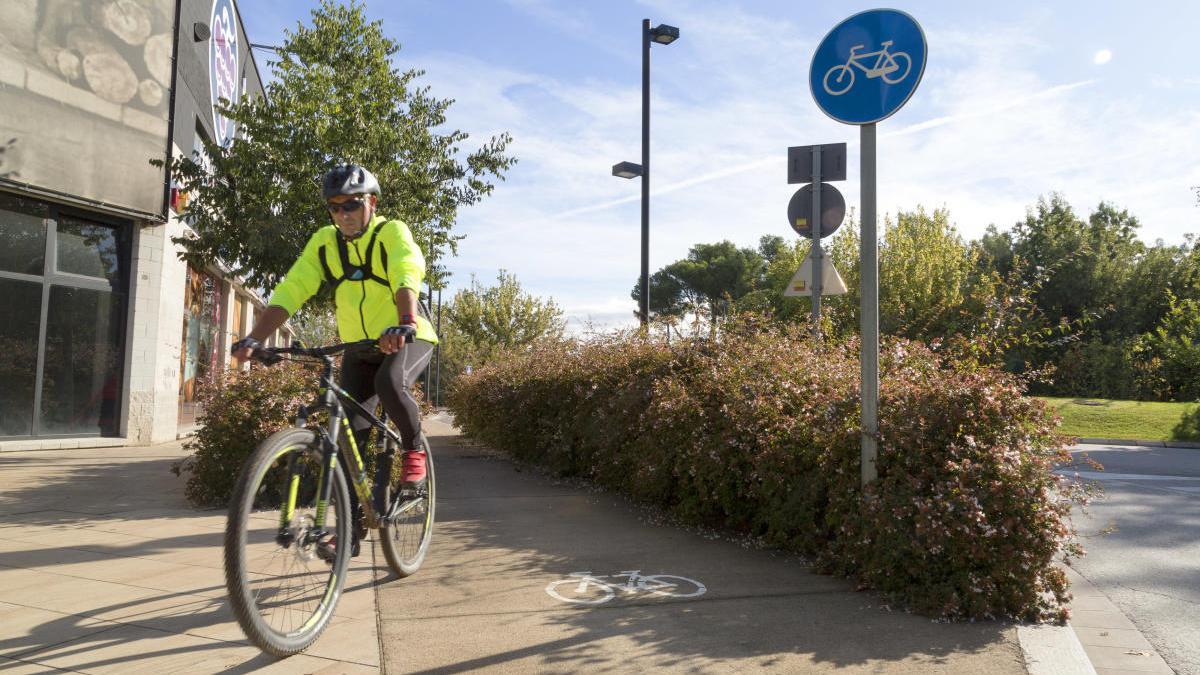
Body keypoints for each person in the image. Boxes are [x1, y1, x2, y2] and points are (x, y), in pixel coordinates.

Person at [231, 164, 437, 549]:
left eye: (352, 205)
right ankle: (351, 532)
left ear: (371, 203)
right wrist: (254, 338)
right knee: (349, 437)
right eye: (335, 207)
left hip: (407, 336)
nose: (343, 215)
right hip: (358, 346)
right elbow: (294, 287)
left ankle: (412, 452)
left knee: (389, 382)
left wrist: (405, 320)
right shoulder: (325, 243)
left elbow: (407, 270)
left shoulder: (391, 233)